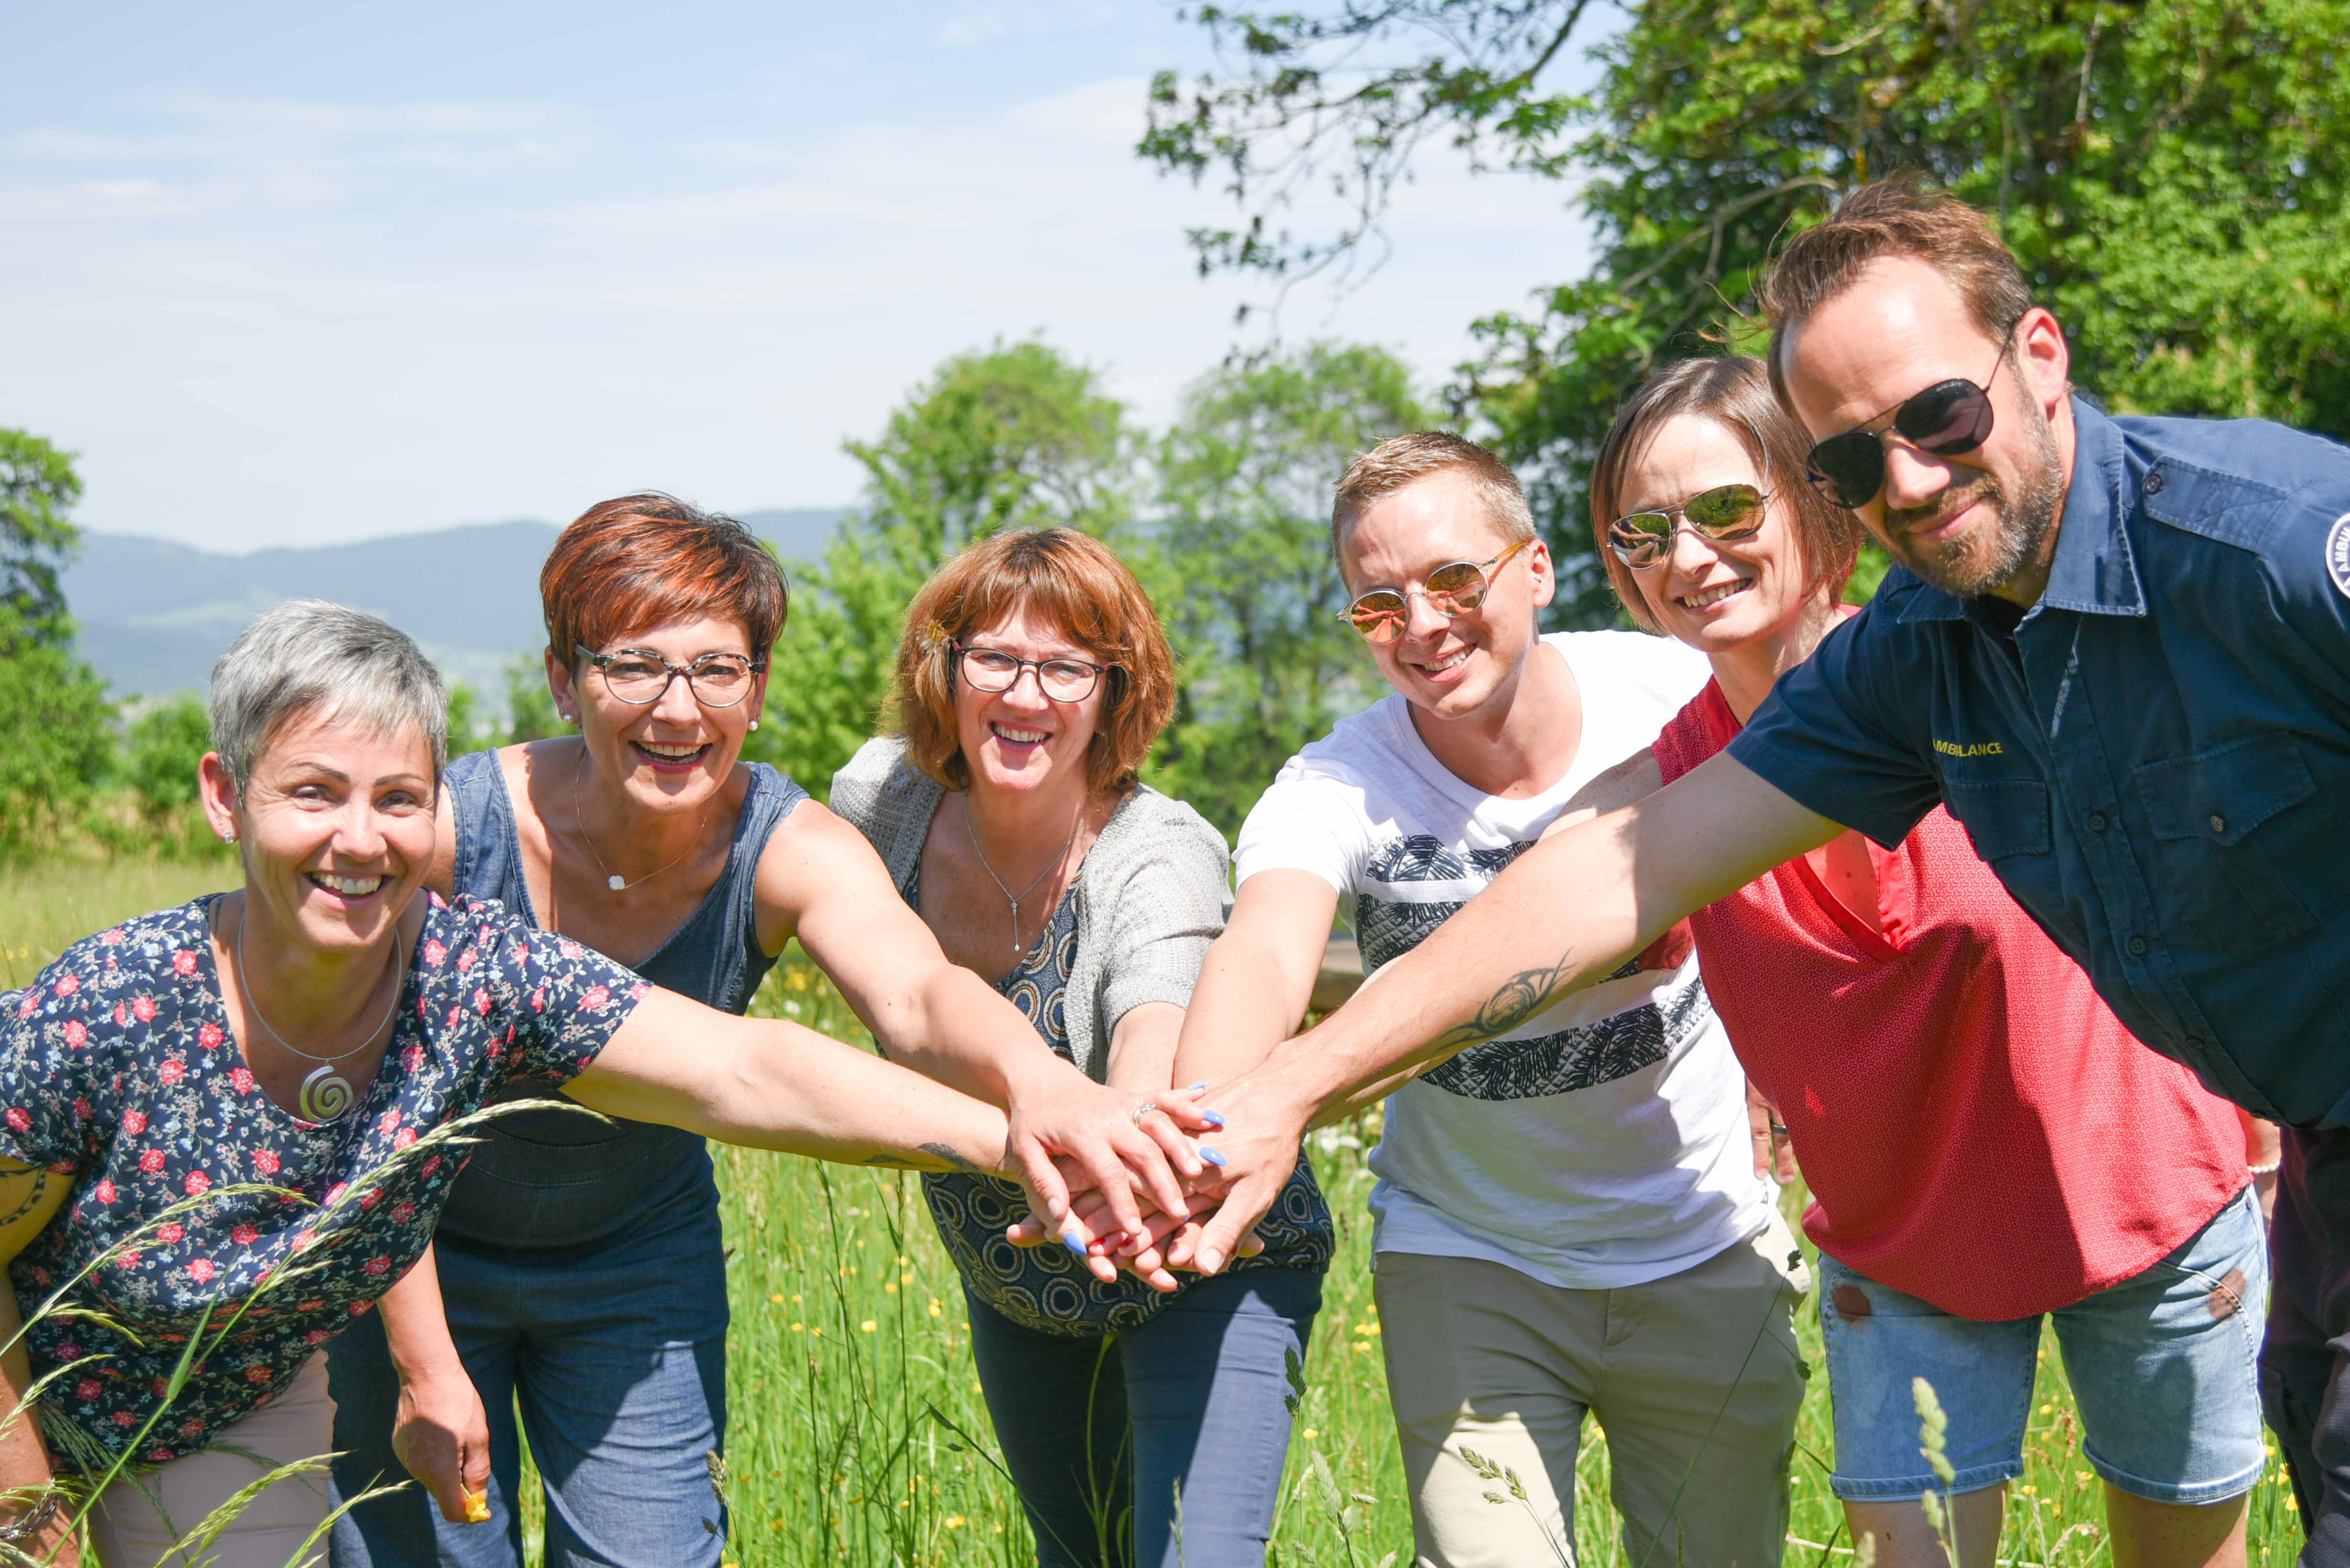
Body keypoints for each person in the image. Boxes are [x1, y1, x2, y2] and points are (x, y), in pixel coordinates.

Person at [1159, 180, 2350, 1558]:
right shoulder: (1915, 655)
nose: (1905, 480)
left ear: (2037, 357)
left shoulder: (2274, 552)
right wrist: (1276, 1095)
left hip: (2166, 1204)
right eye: (1853, 461)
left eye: (1936, 418)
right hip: (2239, 1173)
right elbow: (1611, 869)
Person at [0, 599, 1174, 1568]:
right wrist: (24, 1501)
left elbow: (738, 1064)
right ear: (226, 797)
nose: (360, 837)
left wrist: (1022, 1138)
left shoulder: (475, 973)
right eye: (314, 793)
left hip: (230, 1405)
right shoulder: (108, 1005)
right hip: (38, 1391)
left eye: (396, 800)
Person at [326, 497, 1214, 1568]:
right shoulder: (448, 831)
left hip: (636, 1266)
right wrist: (423, 1361)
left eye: (717, 669)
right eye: (633, 666)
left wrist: (1041, 1086)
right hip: (419, 1254)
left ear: (757, 689)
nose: (677, 707)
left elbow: (920, 991)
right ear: (564, 679)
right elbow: (354, 1110)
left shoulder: (782, 840)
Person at [1571, 352, 2271, 1566]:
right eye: (1644, 530)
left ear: (1816, 501)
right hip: (1900, 1248)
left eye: (1728, 510)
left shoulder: (1988, 670)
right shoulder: (1661, 800)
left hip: (2152, 1201)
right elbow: (1513, 959)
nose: (1688, 557)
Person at [1168, 432, 1806, 1568]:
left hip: (1701, 1243)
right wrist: (1205, 1127)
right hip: (1471, 1261)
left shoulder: (1672, 690)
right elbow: (1265, 947)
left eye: (1453, 579)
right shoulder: (1337, 784)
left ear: (1537, 567)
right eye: (1377, 604)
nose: (1420, 624)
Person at [828, 527, 1334, 1568]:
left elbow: (1158, 1025)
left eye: (1066, 667)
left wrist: (1122, 1128)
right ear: (945, 667)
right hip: (1017, 1274)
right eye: (996, 658)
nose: (1027, 694)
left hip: (1200, 1249)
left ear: (1114, 691)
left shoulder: (1161, 856)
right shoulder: (880, 806)